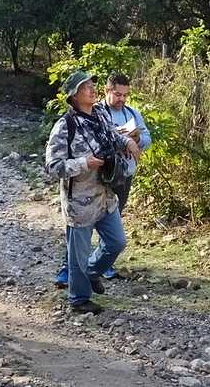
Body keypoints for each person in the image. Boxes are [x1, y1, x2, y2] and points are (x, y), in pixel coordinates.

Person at [45, 71, 141, 314]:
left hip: (105, 194)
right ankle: (78, 298)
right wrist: (83, 163)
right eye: (85, 86)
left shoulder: (99, 114)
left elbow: (113, 136)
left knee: (117, 242)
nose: (92, 89)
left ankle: (93, 271)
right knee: (78, 254)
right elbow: (52, 167)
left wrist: (127, 142)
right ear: (74, 95)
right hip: (80, 200)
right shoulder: (64, 126)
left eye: (92, 85)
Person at [97, 72, 151, 278]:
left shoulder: (132, 113)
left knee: (115, 218)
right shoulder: (97, 112)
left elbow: (147, 138)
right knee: (91, 221)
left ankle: (104, 264)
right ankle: (77, 266)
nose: (122, 99)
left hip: (124, 174)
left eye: (125, 95)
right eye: (118, 95)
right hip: (101, 174)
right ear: (107, 91)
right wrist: (120, 140)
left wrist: (136, 140)